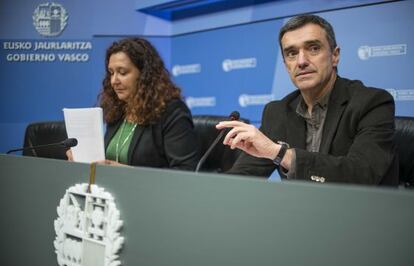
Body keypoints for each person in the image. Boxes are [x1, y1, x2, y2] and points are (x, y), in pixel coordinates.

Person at [216, 14, 398, 185]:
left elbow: (362, 173)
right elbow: (242, 177)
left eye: (313, 48)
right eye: (292, 53)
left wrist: (281, 154)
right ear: (286, 65)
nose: (301, 61)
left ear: (335, 55)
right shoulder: (278, 111)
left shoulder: (372, 103)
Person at [68, 37, 199, 170]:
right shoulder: (118, 111)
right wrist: (84, 159)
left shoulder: (172, 111)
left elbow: (185, 171)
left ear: (144, 74)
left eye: (122, 72)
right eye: (111, 73)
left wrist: (128, 173)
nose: (114, 81)